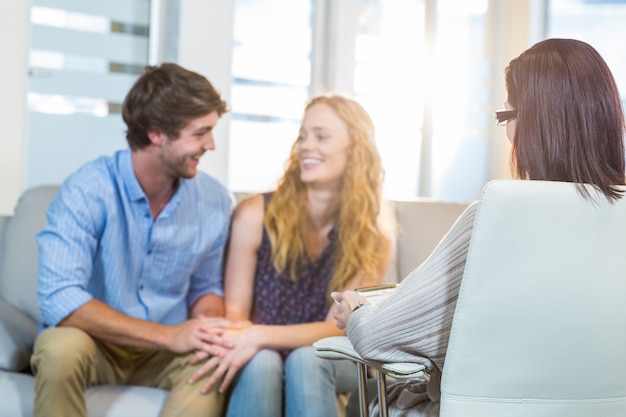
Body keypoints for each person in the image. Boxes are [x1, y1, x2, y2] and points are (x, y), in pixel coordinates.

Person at [332, 38, 626, 417]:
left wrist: (356, 311)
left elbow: (377, 337)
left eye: (507, 117)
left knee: (368, 398)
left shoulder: (495, 218)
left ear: (536, 124)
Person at [31, 63, 235, 417]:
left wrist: (205, 324)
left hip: (166, 356)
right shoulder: (88, 189)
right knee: (58, 346)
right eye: (201, 133)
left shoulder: (214, 200)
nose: (211, 145)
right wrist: (166, 335)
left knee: (210, 362)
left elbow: (206, 286)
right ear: (157, 134)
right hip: (96, 344)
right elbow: (59, 298)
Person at [187, 93, 394, 416]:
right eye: (302, 136)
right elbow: (236, 315)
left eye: (321, 136)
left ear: (356, 150)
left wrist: (260, 335)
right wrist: (257, 339)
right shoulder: (255, 214)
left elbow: (335, 328)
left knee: (307, 358)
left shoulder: (374, 236)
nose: (306, 146)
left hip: (322, 356)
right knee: (262, 361)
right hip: (259, 353)